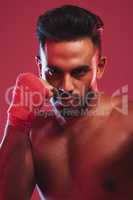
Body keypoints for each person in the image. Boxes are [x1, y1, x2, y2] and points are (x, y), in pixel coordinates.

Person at [0, 4, 133, 200]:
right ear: (39, 66)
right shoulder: (33, 132)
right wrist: (16, 122)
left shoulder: (128, 124)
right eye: (53, 72)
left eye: (79, 72)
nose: (66, 86)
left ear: (100, 67)